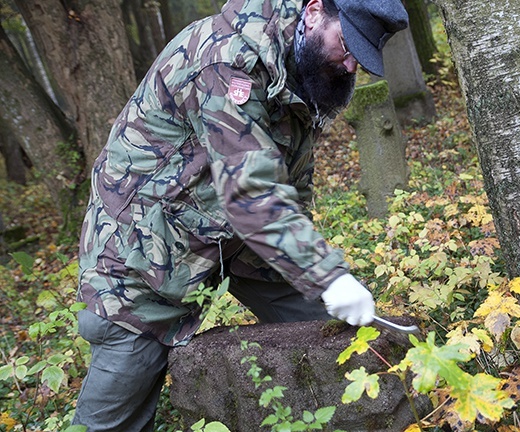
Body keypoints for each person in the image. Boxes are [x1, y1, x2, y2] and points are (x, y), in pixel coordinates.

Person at [72, 0, 408, 429]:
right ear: (314, 10)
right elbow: (252, 190)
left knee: (329, 329)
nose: (349, 66)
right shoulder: (225, 57)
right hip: (142, 245)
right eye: (346, 45)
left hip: (234, 232)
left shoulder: (300, 62)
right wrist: (329, 273)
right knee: (118, 401)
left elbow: (289, 179)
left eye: (359, 57)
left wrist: (313, 272)